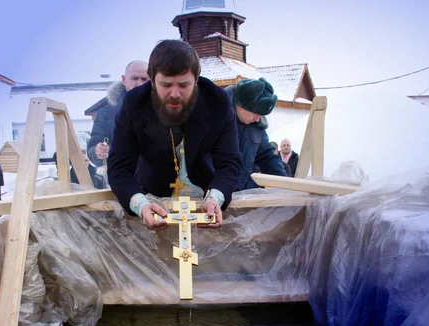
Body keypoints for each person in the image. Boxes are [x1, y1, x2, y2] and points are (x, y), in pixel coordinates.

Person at [108, 39, 242, 231]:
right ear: (152, 80)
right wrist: (141, 204)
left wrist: (215, 197)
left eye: (183, 85)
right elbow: (118, 167)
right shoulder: (134, 104)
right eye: (166, 84)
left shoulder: (217, 102)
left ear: (196, 80)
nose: (175, 93)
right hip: (153, 197)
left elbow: (230, 162)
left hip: (203, 198)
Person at [86, 60, 149, 188]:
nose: (139, 84)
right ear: (124, 79)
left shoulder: (162, 109)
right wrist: (98, 151)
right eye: (134, 78)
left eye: (144, 79)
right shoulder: (106, 113)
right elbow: (92, 150)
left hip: (156, 183)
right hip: (121, 183)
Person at [225, 78, 287, 190]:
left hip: (243, 190)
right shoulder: (218, 119)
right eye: (255, 114)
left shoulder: (256, 126)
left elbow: (266, 156)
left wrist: (285, 183)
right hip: (215, 192)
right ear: (240, 106)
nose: (258, 119)